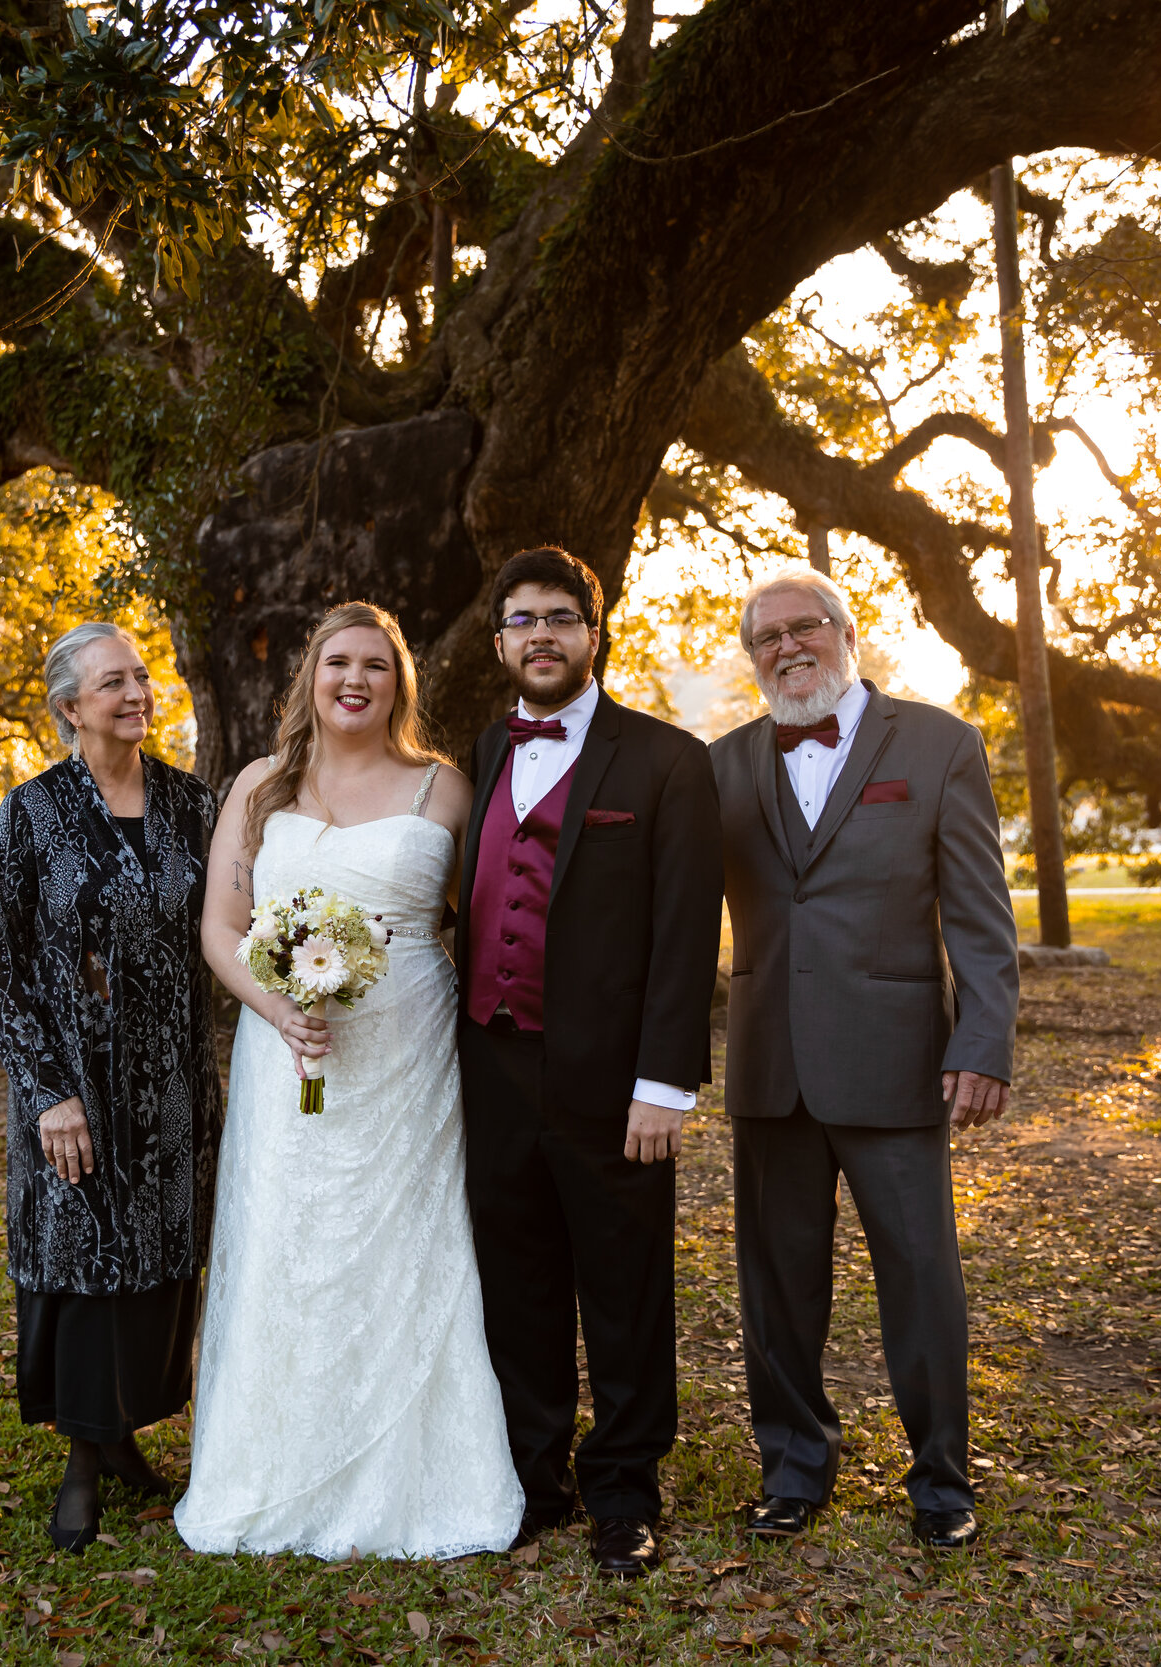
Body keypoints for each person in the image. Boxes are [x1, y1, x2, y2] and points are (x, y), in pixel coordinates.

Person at [175, 601, 524, 1560]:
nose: (355, 679)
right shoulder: (257, 785)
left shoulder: (445, 789)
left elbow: (472, 917)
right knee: (290, 1233)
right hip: (286, 1047)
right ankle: (277, 1466)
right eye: (338, 662)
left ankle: (414, 1471)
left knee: (409, 1237)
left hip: (409, 1046)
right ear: (311, 676)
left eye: (376, 663)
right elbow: (220, 926)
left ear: (400, 682)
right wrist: (277, 1005)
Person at [708, 569, 1018, 1552]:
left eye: (806, 628)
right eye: (767, 637)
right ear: (752, 655)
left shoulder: (936, 745)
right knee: (776, 1285)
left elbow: (980, 916)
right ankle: (794, 1469)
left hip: (896, 1062)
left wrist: (982, 1039)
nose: (788, 647)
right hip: (768, 1064)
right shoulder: (717, 766)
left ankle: (941, 1481)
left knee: (920, 1276)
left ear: (848, 632)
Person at [454, 547, 724, 1580]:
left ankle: (624, 1489)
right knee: (516, 1283)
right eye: (520, 618)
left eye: (559, 616)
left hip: (615, 1083)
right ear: (499, 641)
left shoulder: (664, 760)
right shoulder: (482, 750)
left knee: (624, 1286)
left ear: (595, 630)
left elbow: (684, 932)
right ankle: (536, 1478)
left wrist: (665, 1082)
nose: (540, 635)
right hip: (493, 1064)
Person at [0, 622, 221, 1554]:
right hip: (72, 1086)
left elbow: (229, 921)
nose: (136, 692)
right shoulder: (32, 812)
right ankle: (84, 1459)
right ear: (70, 707)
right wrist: (47, 1093)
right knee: (81, 1258)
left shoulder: (193, 806)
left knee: (159, 1262)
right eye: (112, 681)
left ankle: (121, 1433)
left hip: (170, 1085)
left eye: (142, 676)